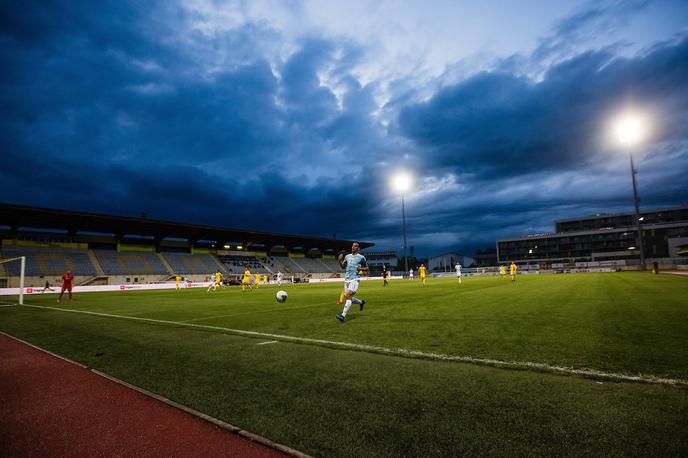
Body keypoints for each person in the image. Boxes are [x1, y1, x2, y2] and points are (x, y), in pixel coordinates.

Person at [336, 242, 368, 322]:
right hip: (347, 279)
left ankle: (342, 316)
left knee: (349, 295)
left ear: (358, 248)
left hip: (355, 279)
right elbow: (343, 267)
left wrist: (360, 269)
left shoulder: (361, 257)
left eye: (355, 246)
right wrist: (339, 261)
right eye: (352, 246)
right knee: (348, 296)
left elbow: (367, 268)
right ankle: (361, 302)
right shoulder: (347, 256)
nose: (353, 247)